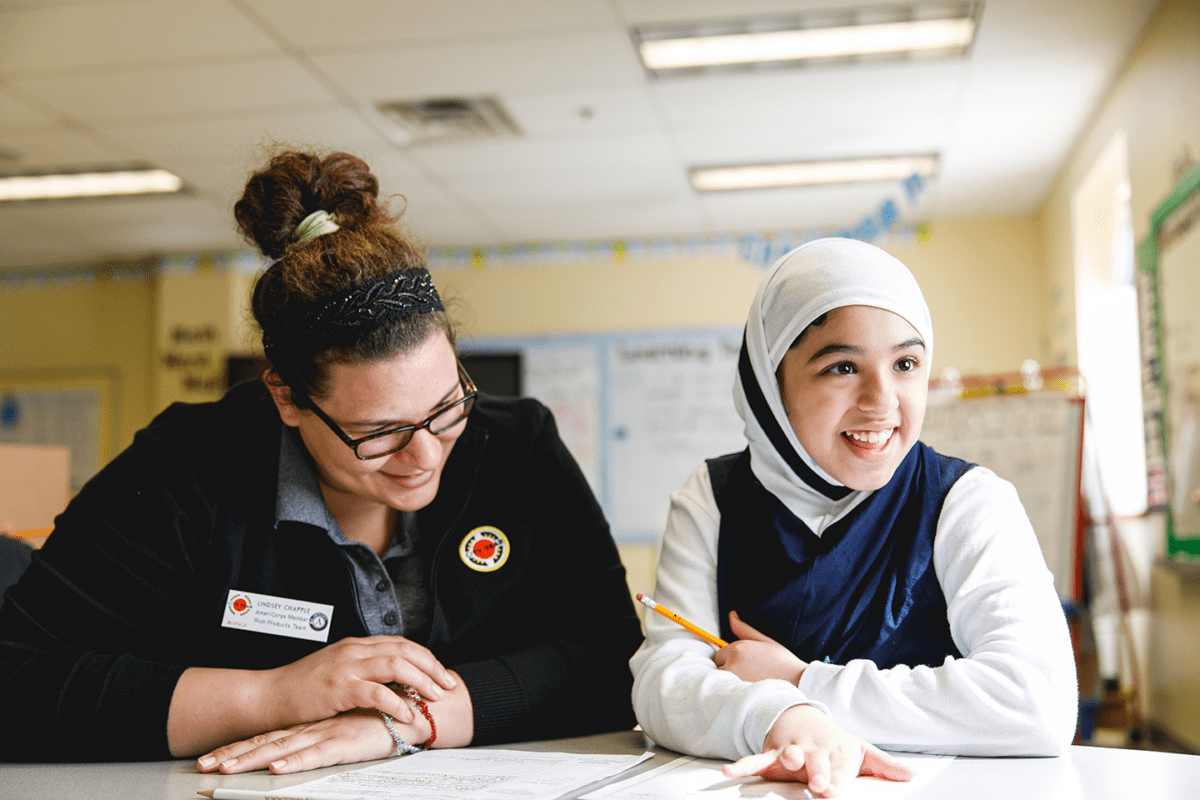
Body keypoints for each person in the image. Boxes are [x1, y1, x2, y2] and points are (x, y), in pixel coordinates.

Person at [0, 150, 643, 771]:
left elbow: (616, 658)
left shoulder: (516, 447)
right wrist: (271, 697)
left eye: (448, 405)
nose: (424, 454)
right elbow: (15, 680)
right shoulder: (187, 469)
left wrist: (409, 721)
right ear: (286, 397)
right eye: (378, 433)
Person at [630, 238, 1078, 797]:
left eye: (906, 364)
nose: (882, 399)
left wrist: (802, 681)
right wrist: (784, 717)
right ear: (770, 383)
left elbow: (1036, 701)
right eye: (842, 367)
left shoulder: (967, 500)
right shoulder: (713, 498)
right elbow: (662, 682)